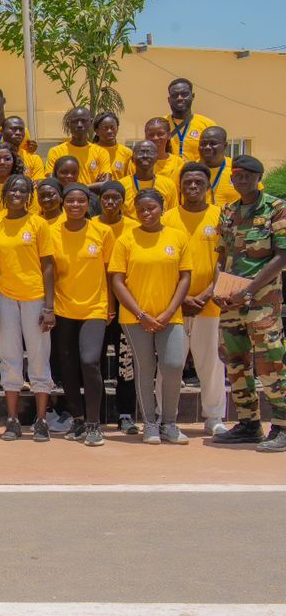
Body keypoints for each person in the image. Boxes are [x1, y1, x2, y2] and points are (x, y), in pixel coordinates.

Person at [212, 155, 286, 451]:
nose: (242, 181)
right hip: (231, 301)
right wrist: (218, 288)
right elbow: (221, 255)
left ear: (259, 177)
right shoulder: (228, 212)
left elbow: (281, 256)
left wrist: (250, 291)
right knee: (237, 365)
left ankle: (281, 426)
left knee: (271, 363)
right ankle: (248, 424)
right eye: (237, 176)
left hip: (262, 302)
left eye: (248, 176)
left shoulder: (276, 208)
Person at [110, 189, 193, 445]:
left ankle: (169, 421)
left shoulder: (177, 237)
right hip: (135, 319)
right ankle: (149, 424)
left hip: (170, 316)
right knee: (145, 369)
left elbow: (185, 277)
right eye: (141, 209)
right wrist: (141, 314)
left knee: (173, 365)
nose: (146, 213)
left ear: (162, 208)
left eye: (152, 208)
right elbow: (117, 281)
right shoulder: (126, 240)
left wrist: (168, 312)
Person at [0, 175, 57, 441]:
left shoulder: (38, 224)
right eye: (12, 189)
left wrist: (49, 306)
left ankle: (41, 420)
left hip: (35, 297)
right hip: (6, 299)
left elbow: (48, 265)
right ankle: (12, 420)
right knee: (9, 358)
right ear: (4, 193)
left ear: (29, 195)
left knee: (39, 357)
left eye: (22, 190)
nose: (17, 193)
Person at [162, 163, 228, 435]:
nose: (192, 187)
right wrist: (182, 298)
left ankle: (214, 417)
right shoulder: (167, 218)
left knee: (211, 363)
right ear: (179, 186)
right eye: (187, 182)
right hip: (174, 306)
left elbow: (224, 261)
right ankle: (166, 416)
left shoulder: (220, 217)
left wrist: (204, 295)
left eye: (198, 182)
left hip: (210, 305)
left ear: (208, 186)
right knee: (168, 364)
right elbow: (162, 265)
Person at [49, 183, 115, 446]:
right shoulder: (51, 232)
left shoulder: (102, 232)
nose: (75, 205)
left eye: (80, 201)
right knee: (67, 367)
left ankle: (94, 423)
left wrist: (110, 305)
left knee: (89, 361)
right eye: (70, 201)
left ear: (88, 204)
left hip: (94, 308)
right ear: (63, 204)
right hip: (63, 307)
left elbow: (111, 271)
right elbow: (49, 272)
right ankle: (77, 418)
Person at [96, 180, 140, 433]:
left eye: (116, 198)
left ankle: (125, 414)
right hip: (98, 306)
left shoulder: (134, 228)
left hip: (128, 307)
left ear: (124, 201)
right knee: (96, 363)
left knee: (126, 364)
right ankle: (98, 415)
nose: (110, 202)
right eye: (106, 198)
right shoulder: (91, 225)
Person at [47, 107, 111, 185]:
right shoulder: (56, 152)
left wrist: (75, 188)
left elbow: (106, 184)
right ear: (68, 124)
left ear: (91, 122)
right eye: (75, 121)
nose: (79, 125)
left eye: (83, 121)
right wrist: (93, 185)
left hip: (92, 197)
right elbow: (52, 184)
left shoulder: (101, 152)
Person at [122, 138, 178, 217]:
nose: (145, 156)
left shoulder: (169, 185)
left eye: (150, 152)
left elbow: (172, 216)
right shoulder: (122, 186)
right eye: (140, 152)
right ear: (132, 159)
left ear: (156, 158)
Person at [168, 77, 216, 163]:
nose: (179, 98)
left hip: (197, 175)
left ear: (192, 96)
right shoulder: (161, 125)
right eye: (175, 95)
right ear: (169, 99)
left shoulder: (208, 125)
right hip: (168, 175)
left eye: (184, 94)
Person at [197, 127, 239, 207]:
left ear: (225, 145)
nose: (207, 147)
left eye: (213, 143)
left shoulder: (238, 168)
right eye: (203, 144)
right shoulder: (189, 171)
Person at [93, 112, 133, 181]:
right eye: (105, 128)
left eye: (112, 127)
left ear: (117, 128)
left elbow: (129, 178)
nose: (109, 131)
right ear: (97, 131)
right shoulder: (91, 151)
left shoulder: (127, 153)